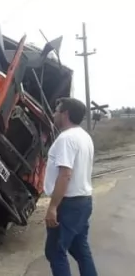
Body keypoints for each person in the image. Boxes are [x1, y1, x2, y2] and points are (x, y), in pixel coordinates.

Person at [44, 97, 98, 276]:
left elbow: (65, 174)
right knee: (79, 250)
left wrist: (53, 207)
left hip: (68, 205)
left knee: (55, 252)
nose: (53, 115)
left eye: (56, 111)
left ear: (65, 114)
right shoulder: (84, 136)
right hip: (83, 202)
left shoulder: (66, 139)